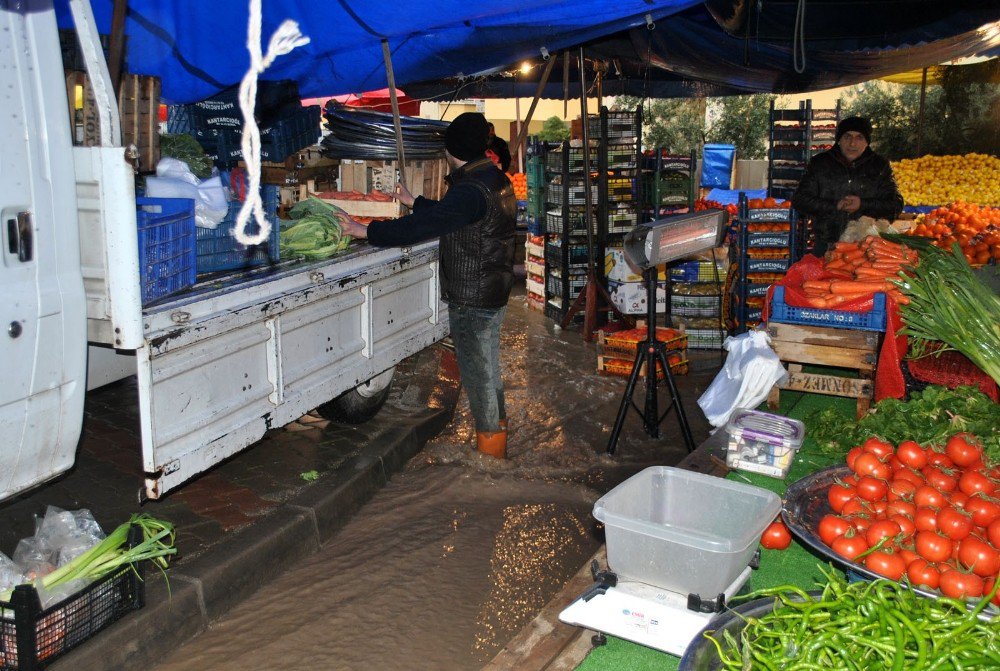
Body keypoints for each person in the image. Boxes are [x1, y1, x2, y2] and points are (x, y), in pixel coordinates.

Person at [340, 112, 517, 459]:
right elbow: (452, 213)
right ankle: (498, 436)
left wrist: (367, 231)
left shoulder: (470, 189)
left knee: (478, 373)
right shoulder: (494, 178)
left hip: (473, 296)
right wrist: (415, 202)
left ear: (451, 150)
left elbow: (424, 226)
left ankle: (491, 460)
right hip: (493, 289)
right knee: (488, 368)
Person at [791, 116, 904, 256]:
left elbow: (895, 205)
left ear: (867, 142)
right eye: (847, 136)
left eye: (859, 137)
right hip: (826, 244)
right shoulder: (820, 163)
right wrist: (835, 205)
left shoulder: (880, 166)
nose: (852, 143)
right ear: (839, 139)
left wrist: (862, 204)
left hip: (868, 248)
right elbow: (800, 200)